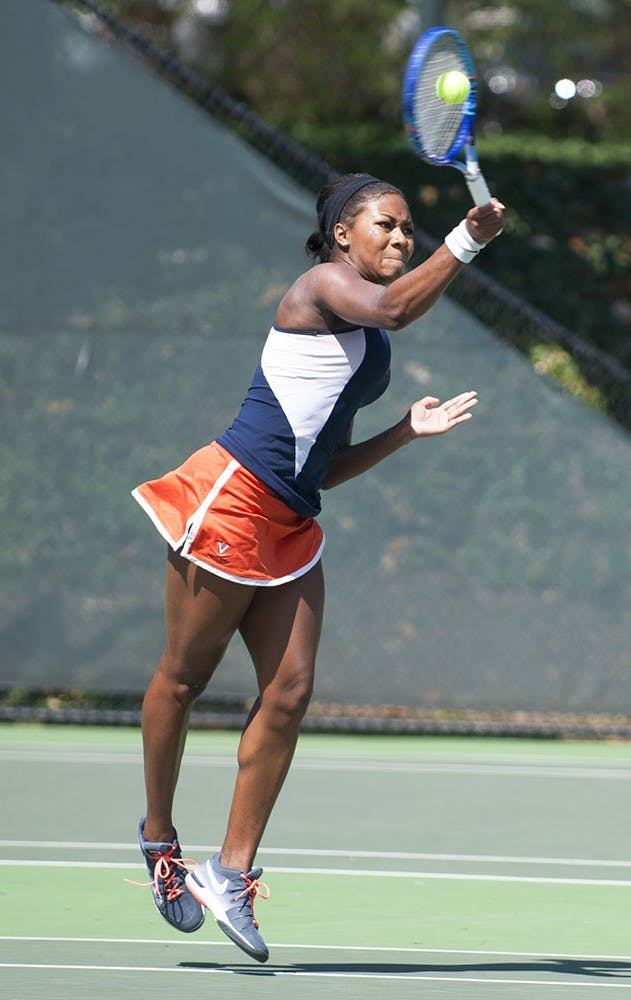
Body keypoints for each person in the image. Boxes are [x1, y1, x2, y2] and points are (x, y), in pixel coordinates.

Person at [131, 173, 505, 963]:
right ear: (342, 233)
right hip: (232, 502)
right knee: (181, 681)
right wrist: (466, 239)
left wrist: (404, 430)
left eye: (411, 229)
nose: (402, 239)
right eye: (387, 226)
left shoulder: (368, 337)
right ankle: (159, 836)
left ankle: (229, 873)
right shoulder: (325, 287)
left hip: (292, 518)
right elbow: (400, 303)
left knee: (292, 691)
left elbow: (319, 465)